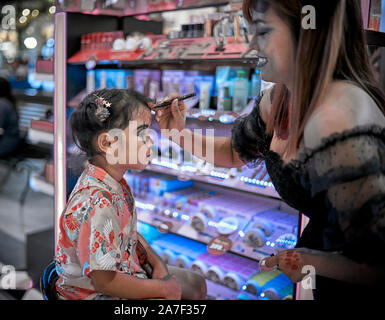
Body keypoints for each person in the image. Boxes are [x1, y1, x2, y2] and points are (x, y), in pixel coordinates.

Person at [153, 0, 385, 300]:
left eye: (263, 31)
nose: (252, 44)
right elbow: (235, 151)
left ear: (308, 33)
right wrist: (177, 133)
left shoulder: (342, 118)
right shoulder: (280, 98)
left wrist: (314, 262)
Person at [54, 88, 207, 300]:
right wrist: (162, 289)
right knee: (186, 290)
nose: (151, 141)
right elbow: (105, 281)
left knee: (195, 284)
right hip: (94, 293)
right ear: (108, 143)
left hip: (119, 272)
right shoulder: (98, 202)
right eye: (142, 134)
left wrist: (155, 261)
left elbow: (125, 232)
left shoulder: (112, 181)